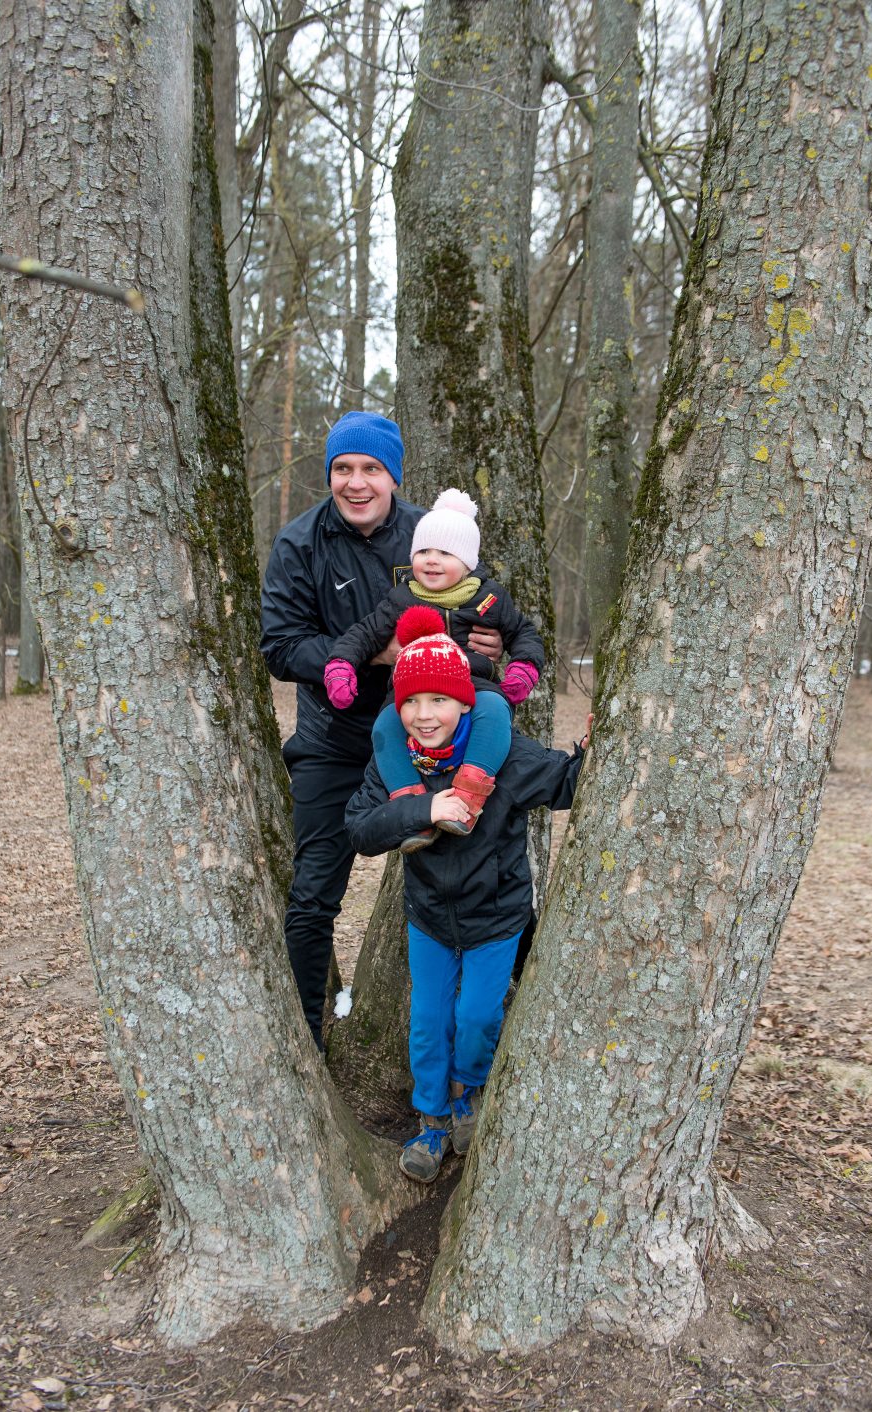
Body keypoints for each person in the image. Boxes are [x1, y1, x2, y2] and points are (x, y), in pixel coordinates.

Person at [260, 411, 501, 1049]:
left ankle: (463, 1052)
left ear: (393, 475)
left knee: (477, 891)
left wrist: (492, 638)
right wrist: (371, 655)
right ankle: (308, 1038)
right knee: (313, 895)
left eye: (371, 469)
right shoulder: (299, 544)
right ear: (330, 475)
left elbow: (481, 601)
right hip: (333, 741)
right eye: (343, 469)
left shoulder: (430, 536)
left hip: (435, 743)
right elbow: (280, 647)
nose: (356, 483)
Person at [345, 608, 592, 1182]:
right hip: (429, 917)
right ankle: (431, 1123)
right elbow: (360, 829)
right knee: (429, 1021)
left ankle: (466, 1093)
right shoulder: (394, 762)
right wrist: (423, 808)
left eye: (438, 701)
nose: (424, 715)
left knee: (478, 1015)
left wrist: (591, 748)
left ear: (464, 704)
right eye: (411, 702)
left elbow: (565, 782)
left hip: (497, 915)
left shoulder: (502, 755)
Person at [322, 489, 545, 850]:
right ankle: (411, 804)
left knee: (494, 709)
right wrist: (341, 665)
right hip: (410, 691)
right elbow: (362, 634)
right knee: (385, 725)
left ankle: (470, 794)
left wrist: (523, 668)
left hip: (472, 687)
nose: (432, 560)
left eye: (445, 553)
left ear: (468, 561)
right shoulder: (401, 598)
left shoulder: (488, 599)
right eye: (423, 551)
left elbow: (524, 633)